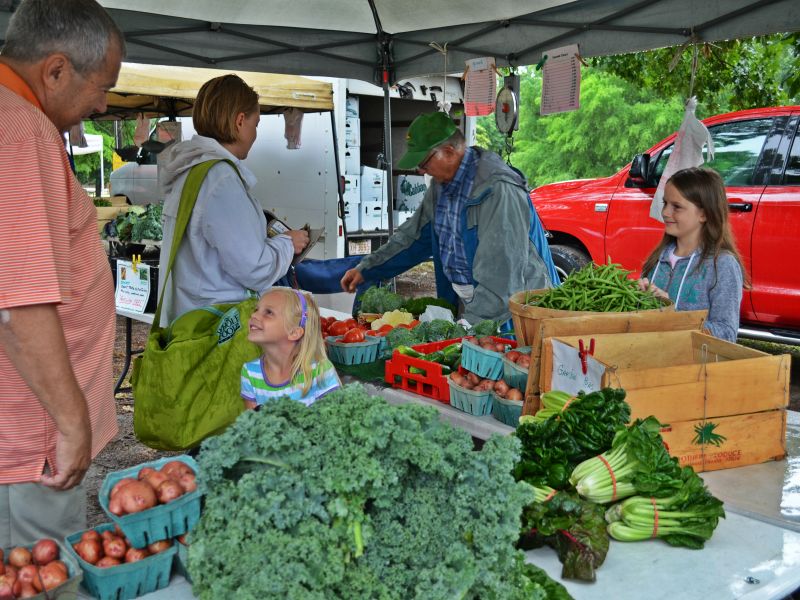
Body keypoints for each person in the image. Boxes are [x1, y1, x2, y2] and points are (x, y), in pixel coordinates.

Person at [0, 0, 124, 547]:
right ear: (55, 70)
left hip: (19, 432)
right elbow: (18, 301)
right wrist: (72, 423)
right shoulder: (20, 130)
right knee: (41, 575)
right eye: (102, 87)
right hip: (29, 438)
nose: (102, 105)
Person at [340, 111, 558, 326]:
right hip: (474, 304)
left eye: (424, 162)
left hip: (518, 313)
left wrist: (467, 328)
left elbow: (501, 279)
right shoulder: (441, 187)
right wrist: (368, 268)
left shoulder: (497, 190)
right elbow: (412, 238)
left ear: (449, 152)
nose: (420, 171)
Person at [158, 74, 309, 326]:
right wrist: (287, 243)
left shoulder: (190, 170)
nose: (255, 133)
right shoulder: (221, 180)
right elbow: (255, 268)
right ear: (240, 121)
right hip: (218, 325)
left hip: (191, 319)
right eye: (255, 124)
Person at [638, 167, 745, 343]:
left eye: (676, 207)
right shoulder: (658, 259)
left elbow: (727, 334)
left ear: (704, 214)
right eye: (665, 203)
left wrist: (674, 314)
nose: (665, 212)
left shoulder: (722, 264)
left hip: (691, 361)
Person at [241, 288, 340, 409]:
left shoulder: (320, 371)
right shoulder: (250, 372)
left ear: (294, 332)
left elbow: (335, 418)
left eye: (269, 312)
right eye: (256, 310)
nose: (254, 315)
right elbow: (251, 420)